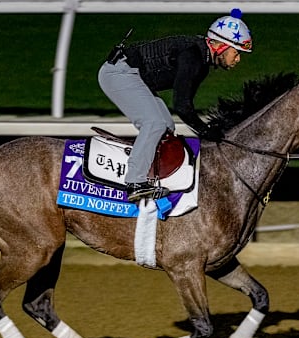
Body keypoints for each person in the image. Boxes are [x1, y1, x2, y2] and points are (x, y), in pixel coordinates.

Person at [98, 8, 253, 202]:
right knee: (154, 123)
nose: (238, 59)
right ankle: (135, 182)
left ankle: (155, 175)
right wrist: (204, 130)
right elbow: (181, 106)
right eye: (236, 53)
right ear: (221, 46)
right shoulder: (193, 58)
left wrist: (203, 129)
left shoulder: (202, 62)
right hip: (118, 74)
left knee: (167, 127)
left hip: (134, 77)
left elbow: (185, 105)